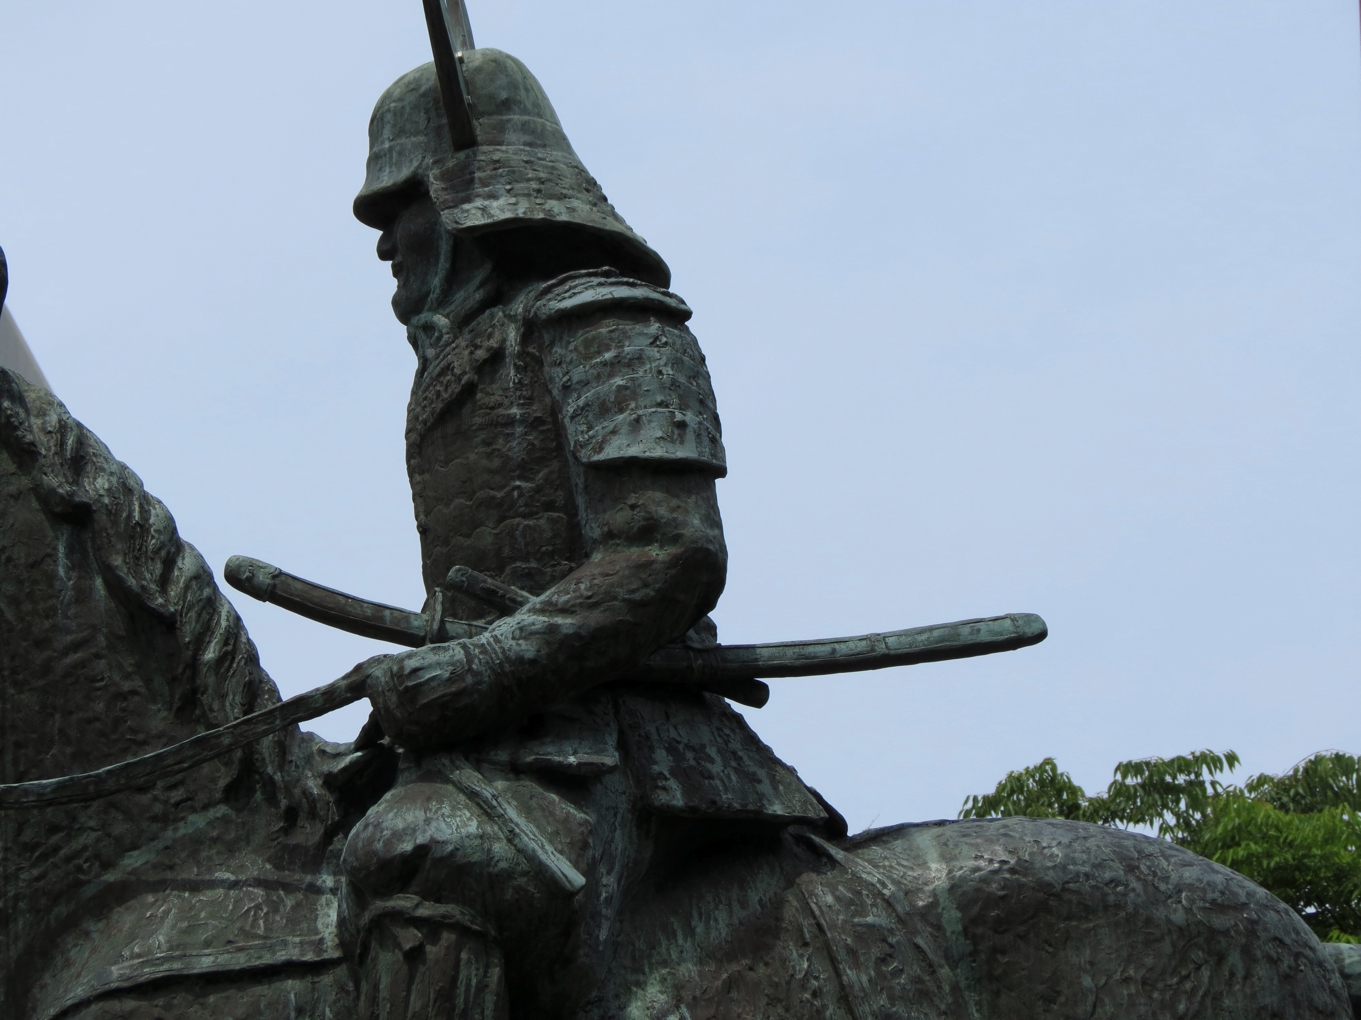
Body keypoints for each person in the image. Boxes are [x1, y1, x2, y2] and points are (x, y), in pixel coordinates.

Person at [338, 48, 837, 1019]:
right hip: (498, 742)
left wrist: (483, 669)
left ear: (467, 192)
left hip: (621, 745)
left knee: (426, 865)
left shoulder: (606, 319)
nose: (382, 241)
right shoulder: (463, 360)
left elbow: (668, 549)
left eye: (396, 202)